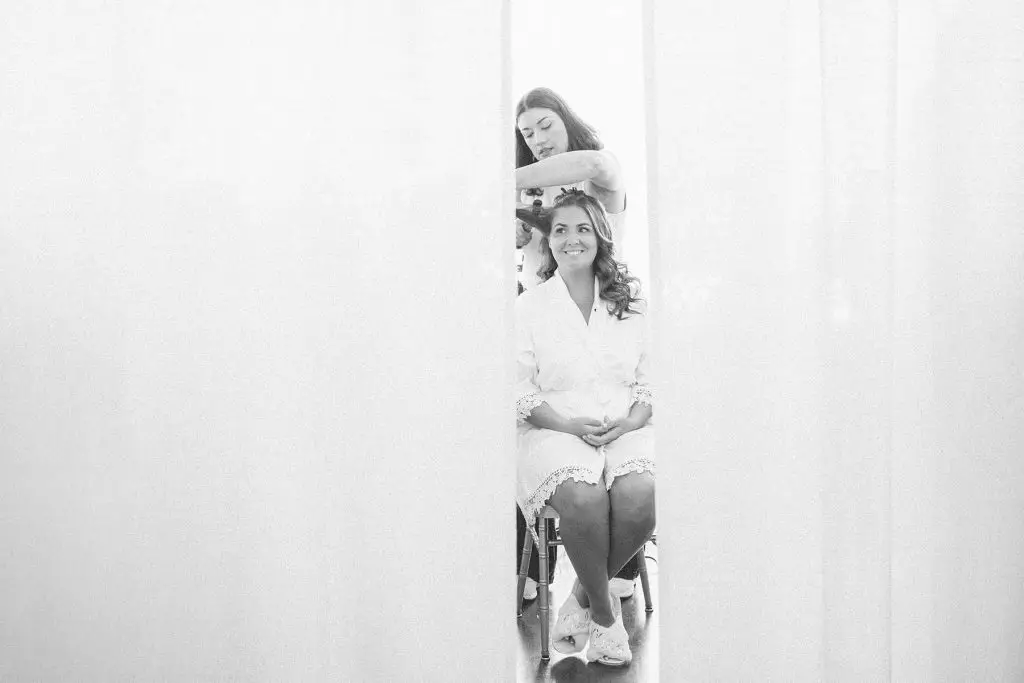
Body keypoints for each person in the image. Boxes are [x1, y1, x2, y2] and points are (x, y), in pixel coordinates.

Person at [515, 190, 655, 666]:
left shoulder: (631, 303)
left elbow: (652, 379)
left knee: (643, 495)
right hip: (553, 429)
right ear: (548, 242)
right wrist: (565, 422)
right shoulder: (527, 308)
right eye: (560, 230)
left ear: (600, 235)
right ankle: (606, 617)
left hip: (626, 425)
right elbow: (517, 389)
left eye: (582, 228)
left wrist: (631, 420)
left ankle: (579, 599)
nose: (571, 239)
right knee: (583, 496)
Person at [513, 86, 641, 601]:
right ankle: (532, 568)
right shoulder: (534, 200)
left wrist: (502, 180)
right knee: (523, 424)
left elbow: (592, 160)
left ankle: (608, 578)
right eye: (527, 134)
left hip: (601, 323)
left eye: (545, 125)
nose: (538, 139)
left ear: (566, 119)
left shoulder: (598, 176)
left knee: (616, 445)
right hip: (543, 330)